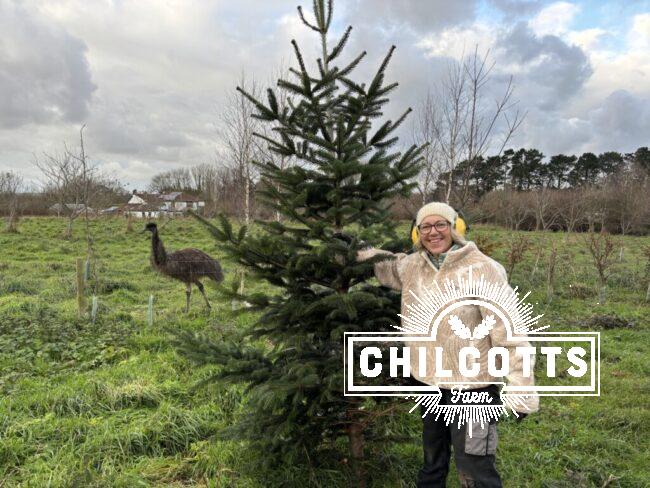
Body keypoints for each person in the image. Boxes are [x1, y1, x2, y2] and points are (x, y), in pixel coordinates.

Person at [351, 202, 539, 488]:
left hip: (473, 388)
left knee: (475, 469)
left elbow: (510, 332)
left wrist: (521, 387)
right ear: (417, 233)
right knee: (432, 461)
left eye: (441, 225)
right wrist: (360, 251)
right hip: (429, 383)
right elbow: (389, 266)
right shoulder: (414, 266)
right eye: (425, 226)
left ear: (455, 228)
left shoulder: (483, 269)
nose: (433, 232)